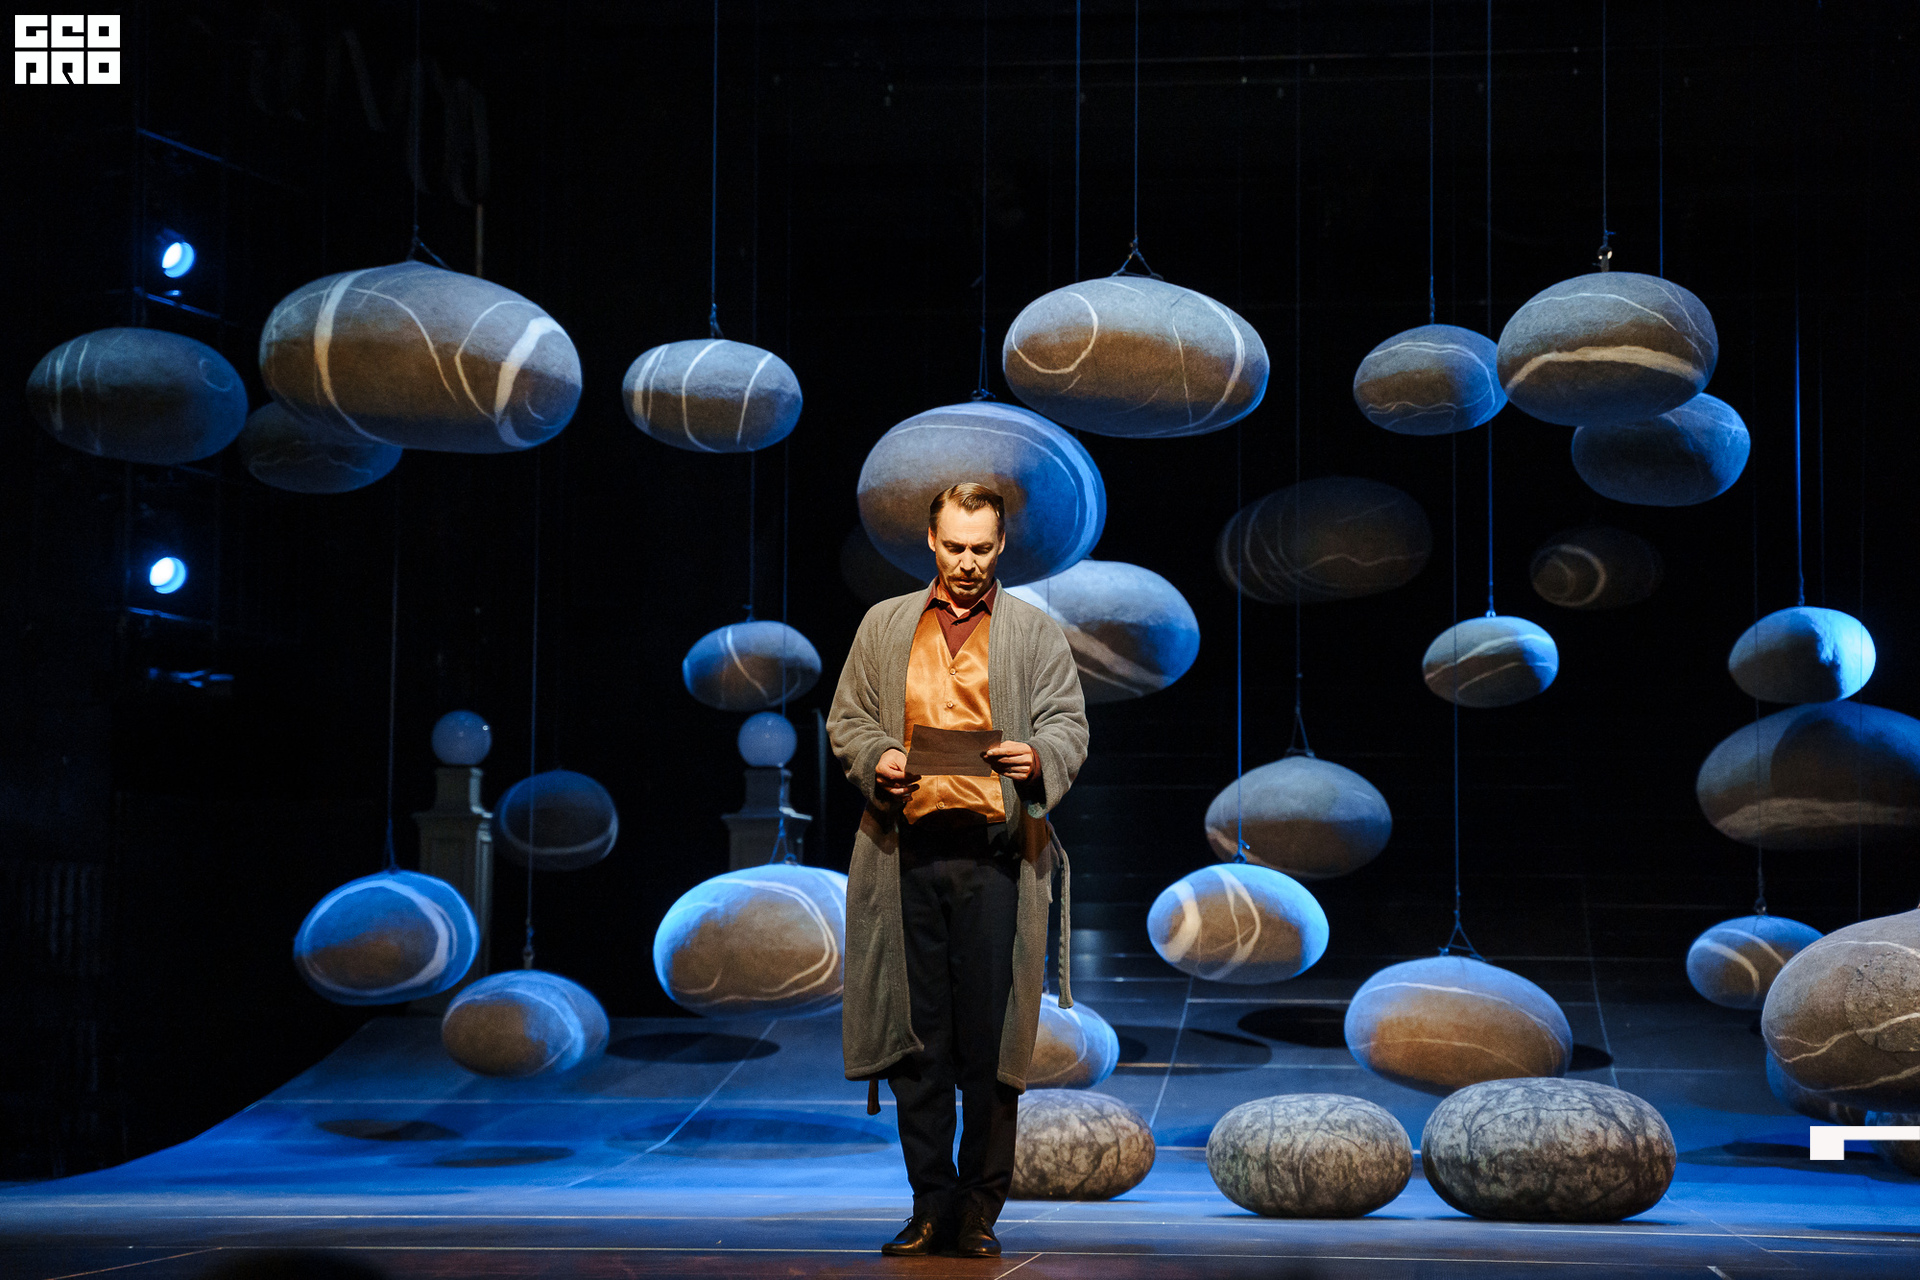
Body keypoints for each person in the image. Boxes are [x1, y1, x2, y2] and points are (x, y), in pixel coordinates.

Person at [828, 482, 1088, 1258]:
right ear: (931, 543)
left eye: (981, 548)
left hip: (995, 860)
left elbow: (1068, 724)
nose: (968, 562)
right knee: (918, 1042)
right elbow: (849, 719)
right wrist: (880, 757)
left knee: (990, 1041)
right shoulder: (885, 626)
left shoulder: (1033, 632)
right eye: (954, 547)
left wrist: (1036, 756)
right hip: (904, 857)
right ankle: (930, 1205)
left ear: (1001, 545)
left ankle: (979, 1209)